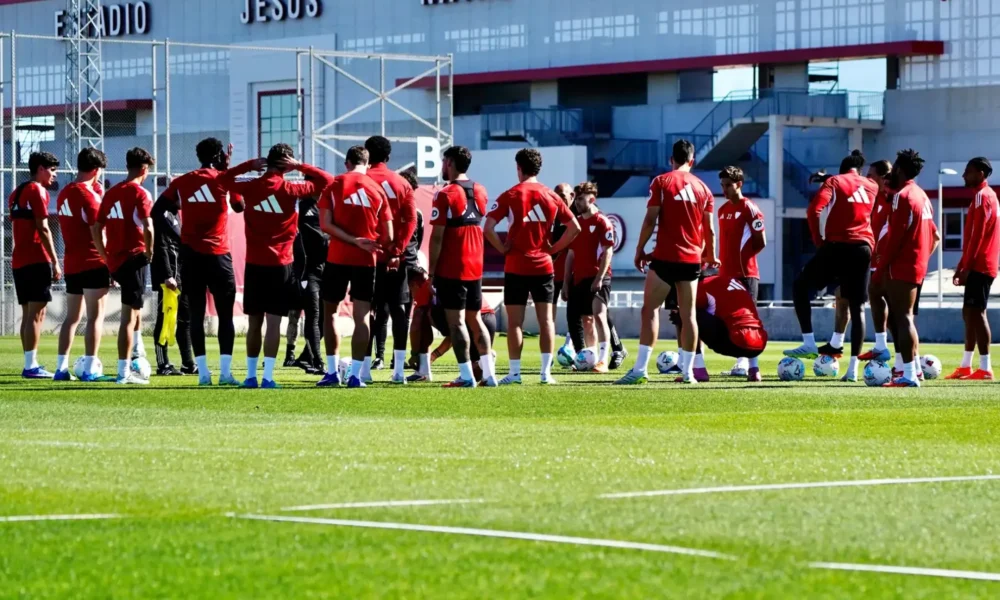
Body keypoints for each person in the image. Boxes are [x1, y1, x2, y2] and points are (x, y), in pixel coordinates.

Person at [223, 144, 334, 389]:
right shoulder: (292, 188)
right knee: (274, 323)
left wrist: (248, 164)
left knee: (254, 323)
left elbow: (224, 178)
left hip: (254, 263)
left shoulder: (250, 185)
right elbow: (327, 181)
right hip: (282, 264)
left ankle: (251, 377)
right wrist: (300, 166)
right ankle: (268, 377)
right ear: (286, 164)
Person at [616, 139, 718, 385]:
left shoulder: (661, 182)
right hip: (691, 259)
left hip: (665, 257)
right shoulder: (704, 188)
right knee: (689, 315)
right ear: (692, 161)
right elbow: (710, 230)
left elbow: (650, 220)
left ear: (671, 159)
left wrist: (640, 249)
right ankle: (688, 373)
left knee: (650, 310)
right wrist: (710, 256)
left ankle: (640, 370)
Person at [159, 138, 260, 386]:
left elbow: (157, 210)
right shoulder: (224, 179)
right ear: (219, 156)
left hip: (191, 256)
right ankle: (225, 373)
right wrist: (227, 170)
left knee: (195, 314)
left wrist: (180, 234)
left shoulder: (181, 182)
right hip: (218, 255)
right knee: (225, 316)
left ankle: (203, 374)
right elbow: (239, 206)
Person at [484, 148, 580, 385]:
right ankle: (546, 374)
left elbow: (487, 228)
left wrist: (502, 248)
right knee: (546, 321)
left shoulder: (511, 194)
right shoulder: (551, 195)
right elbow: (575, 227)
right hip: (543, 267)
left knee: (515, 323)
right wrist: (555, 248)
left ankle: (515, 374)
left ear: (519, 168)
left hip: (516, 266)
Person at [786, 150, 879, 383]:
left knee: (800, 286)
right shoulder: (871, 185)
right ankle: (853, 370)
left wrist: (819, 241)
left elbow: (814, 210)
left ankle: (809, 341)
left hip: (837, 245)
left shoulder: (834, 181)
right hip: (863, 248)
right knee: (857, 308)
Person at [316, 146, 393, 388]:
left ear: (347, 162)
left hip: (337, 257)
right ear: (368, 164)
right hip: (365, 260)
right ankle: (356, 376)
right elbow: (389, 234)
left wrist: (350, 240)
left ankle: (331, 372)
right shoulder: (378, 189)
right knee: (363, 317)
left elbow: (325, 224)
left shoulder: (335, 184)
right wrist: (369, 242)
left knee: (330, 313)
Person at [428, 145, 496, 387]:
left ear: (450, 162)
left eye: (444, 161)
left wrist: (432, 272)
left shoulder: (445, 194)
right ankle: (489, 375)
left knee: (457, 323)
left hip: (452, 267)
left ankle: (466, 376)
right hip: (475, 265)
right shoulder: (481, 190)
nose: (442, 166)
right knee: (475, 320)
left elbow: (436, 237)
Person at [92, 148, 155, 385]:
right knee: (129, 316)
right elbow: (148, 226)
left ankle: (134, 358)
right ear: (144, 169)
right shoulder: (141, 193)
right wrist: (150, 252)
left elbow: (97, 227)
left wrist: (104, 256)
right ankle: (123, 372)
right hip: (134, 258)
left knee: (134, 312)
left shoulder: (112, 192)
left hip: (117, 260)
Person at [876, 149, 934, 388]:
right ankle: (914, 371)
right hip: (917, 263)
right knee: (904, 318)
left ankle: (908, 374)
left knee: (902, 318)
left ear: (899, 169)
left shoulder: (903, 196)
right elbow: (932, 234)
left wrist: (881, 267)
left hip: (902, 265)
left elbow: (896, 237)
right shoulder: (922, 195)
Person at [54, 149, 112, 382]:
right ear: (97, 171)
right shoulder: (89, 197)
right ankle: (90, 368)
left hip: (72, 262)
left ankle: (60, 369)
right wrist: (109, 259)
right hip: (93, 261)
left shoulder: (65, 192)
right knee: (95, 318)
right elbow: (98, 231)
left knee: (72, 318)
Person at [364, 136, 418, 384]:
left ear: (367, 153)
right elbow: (411, 221)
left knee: (365, 311)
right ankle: (398, 371)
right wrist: (397, 251)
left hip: (365, 255)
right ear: (388, 157)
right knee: (398, 311)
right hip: (396, 257)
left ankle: (362, 370)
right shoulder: (402, 183)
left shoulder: (361, 180)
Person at [945, 158, 999, 380]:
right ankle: (966, 365)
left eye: (968, 171)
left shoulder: (982, 197)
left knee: (977, 313)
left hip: (981, 264)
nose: (963, 175)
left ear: (981, 173)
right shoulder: (987, 197)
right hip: (978, 263)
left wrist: (966, 266)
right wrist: (961, 265)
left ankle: (985, 368)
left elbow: (977, 236)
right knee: (969, 313)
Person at [8, 152, 61, 378]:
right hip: (37, 259)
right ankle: (31, 366)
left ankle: (30, 361)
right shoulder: (38, 191)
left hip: (19, 260)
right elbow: (43, 228)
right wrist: (56, 261)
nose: (54, 175)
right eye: (51, 170)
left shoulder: (15, 193)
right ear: (40, 169)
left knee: (28, 313)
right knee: (37, 315)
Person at [716, 166, 766, 381]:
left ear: (739, 184)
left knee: (748, 321)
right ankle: (741, 362)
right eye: (722, 185)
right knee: (730, 320)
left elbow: (760, 241)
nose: (724, 189)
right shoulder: (722, 209)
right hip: (725, 274)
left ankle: (754, 368)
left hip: (746, 273)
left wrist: (743, 259)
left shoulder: (751, 209)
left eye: (728, 185)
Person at [669, 274, 768, 381]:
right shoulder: (734, 281)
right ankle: (754, 369)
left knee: (685, 314)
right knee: (742, 320)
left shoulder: (703, 285)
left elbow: (690, 311)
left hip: (735, 341)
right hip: (760, 344)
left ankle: (698, 370)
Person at [407, 269, 498, 384]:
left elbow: (416, 325)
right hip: (489, 319)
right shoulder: (458, 279)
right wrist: (434, 356)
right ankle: (483, 363)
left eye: (410, 290)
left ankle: (423, 371)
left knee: (423, 315)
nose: (411, 295)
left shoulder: (425, 286)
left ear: (413, 284)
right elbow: (453, 337)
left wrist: (414, 354)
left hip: (469, 322)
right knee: (477, 374)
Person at [561, 182, 615, 372]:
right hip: (580, 279)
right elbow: (571, 255)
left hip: (599, 276)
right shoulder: (577, 223)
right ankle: (589, 358)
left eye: (581, 199)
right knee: (586, 320)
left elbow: (608, 250)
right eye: (576, 198)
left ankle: (603, 359)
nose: (576, 202)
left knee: (599, 316)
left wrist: (600, 277)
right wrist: (566, 282)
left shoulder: (602, 222)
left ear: (591, 199)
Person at [150, 180, 195, 376]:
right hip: (168, 279)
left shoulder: (175, 215)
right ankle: (163, 364)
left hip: (181, 275)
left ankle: (188, 362)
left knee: (185, 319)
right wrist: (167, 275)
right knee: (165, 319)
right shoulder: (160, 215)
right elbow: (160, 248)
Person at [285, 176, 329, 375]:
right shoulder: (303, 208)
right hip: (307, 270)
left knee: (324, 317)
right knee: (312, 314)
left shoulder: (329, 205)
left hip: (327, 268)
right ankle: (317, 361)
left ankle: (306, 356)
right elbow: (319, 238)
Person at [859, 160, 898, 366]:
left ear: (883, 178)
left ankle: (911, 364)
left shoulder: (895, 199)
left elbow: (934, 236)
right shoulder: (874, 198)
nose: (867, 179)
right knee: (874, 299)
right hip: (874, 262)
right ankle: (881, 346)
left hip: (892, 267)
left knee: (900, 317)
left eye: (871, 175)